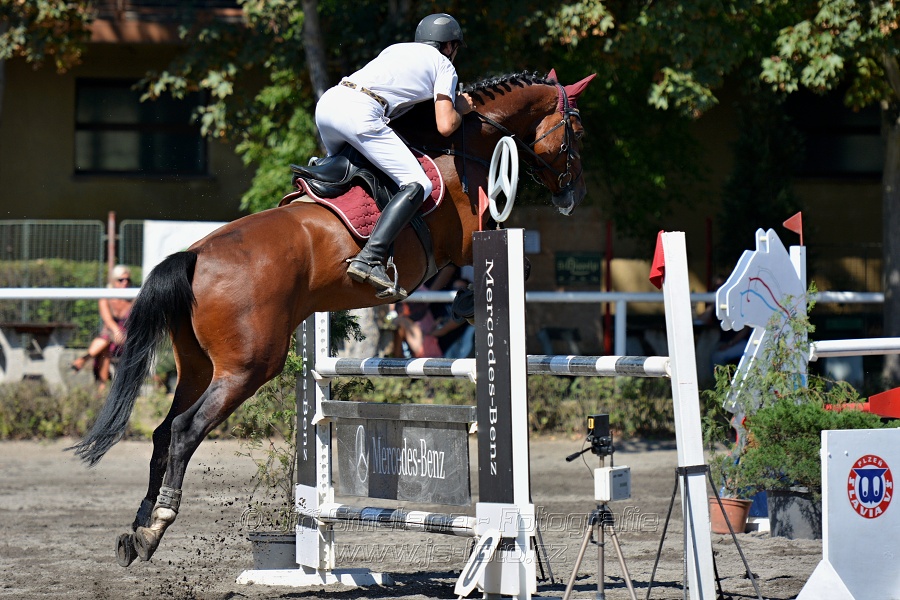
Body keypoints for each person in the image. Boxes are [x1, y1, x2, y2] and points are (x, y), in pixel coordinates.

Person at [314, 13, 474, 300]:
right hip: (361, 112)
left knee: (352, 170)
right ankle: (371, 258)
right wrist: (461, 107)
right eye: (455, 47)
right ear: (448, 46)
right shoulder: (443, 64)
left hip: (329, 103)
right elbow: (445, 124)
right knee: (418, 183)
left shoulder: (396, 50)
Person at [71, 264, 134, 390]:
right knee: (106, 343)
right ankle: (102, 386)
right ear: (113, 281)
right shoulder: (106, 297)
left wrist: (120, 334)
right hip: (111, 339)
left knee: (106, 340)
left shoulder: (133, 298)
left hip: (127, 341)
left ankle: (85, 360)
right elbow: (108, 321)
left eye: (128, 280)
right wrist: (116, 332)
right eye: (121, 280)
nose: (125, 283)